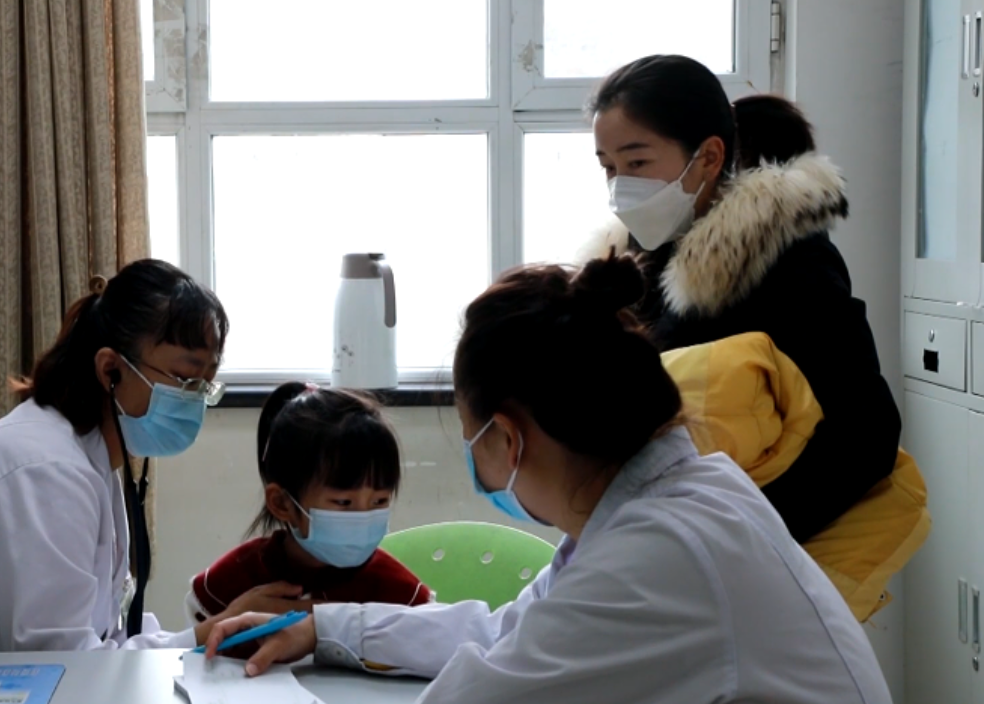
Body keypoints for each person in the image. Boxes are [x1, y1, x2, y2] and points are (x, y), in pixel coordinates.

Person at [204, 257, 892, 704]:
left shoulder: (660, 550)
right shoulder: (665, 505)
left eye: (474, 439)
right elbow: (503, 632)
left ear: (508, 438)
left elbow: (484, 690)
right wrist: (320, 627)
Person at [0, 259, 285, 652]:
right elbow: (60, 663)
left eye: (205, 384)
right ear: (110, 369)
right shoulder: (46, 469)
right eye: (186, 378)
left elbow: (104, 636)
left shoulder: (87, 457)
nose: (194, 400)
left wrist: (208, 633)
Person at [577, 54, 900, 543]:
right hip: (658, 537)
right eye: (609, 167)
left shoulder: (786, 261)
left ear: (708, 156)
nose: (622, 186)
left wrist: (743, 535)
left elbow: (866, 434)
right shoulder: (637, 261)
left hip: (749, 547)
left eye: (638, 162)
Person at [186, 383, 432, 624]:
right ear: (282, 503)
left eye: (380, 501)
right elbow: (199, 653)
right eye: (344, 502)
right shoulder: (236, 579)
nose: (363, 516)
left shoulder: (398, 592)